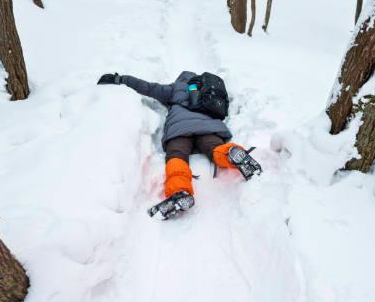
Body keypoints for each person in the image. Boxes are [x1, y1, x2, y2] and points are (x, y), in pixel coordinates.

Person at [97, 71, 262, 219]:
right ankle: (231, 153)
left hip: (179, 129)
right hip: (209, 127)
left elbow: (146, 87)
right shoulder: (209, 93)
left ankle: (180, 191)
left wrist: (120, 79)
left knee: (177, 156)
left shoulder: (175, 89)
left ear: (181, 79)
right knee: (214, 149)